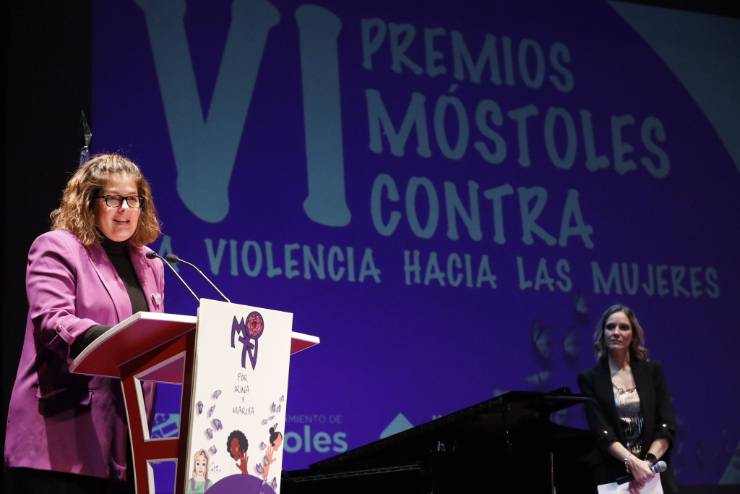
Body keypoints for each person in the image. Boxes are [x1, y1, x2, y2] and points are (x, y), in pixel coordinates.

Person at [4, 154, 164, 494]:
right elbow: (52, 320)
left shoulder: (150, 263)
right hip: (63, 439)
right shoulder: (57, 248)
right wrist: (117, 339)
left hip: (128, 441)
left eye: (133, 199)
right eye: (113, 199)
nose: (125, 209)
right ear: (88, 203)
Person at [578, 304, 677, 494]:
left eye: (623, 327)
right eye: (610, 327)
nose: (616, 332)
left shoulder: (653, 372)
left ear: (634, 336)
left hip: (653, 471)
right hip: (613, 474)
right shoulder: (589, 379)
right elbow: (601, 431)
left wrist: (646, 463)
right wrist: (632, 462)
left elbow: (667, 425)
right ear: (603, 334)